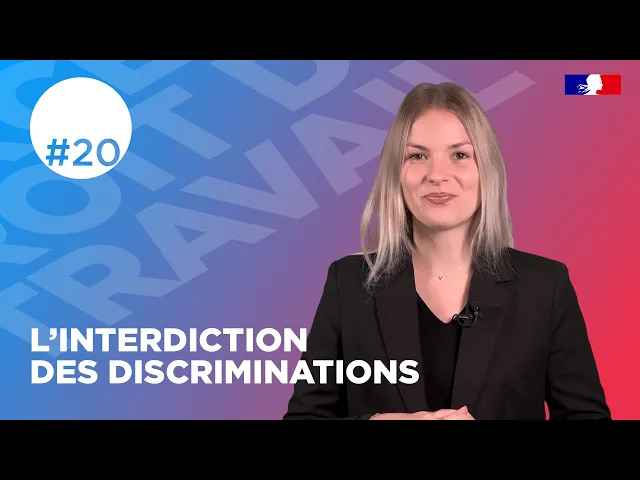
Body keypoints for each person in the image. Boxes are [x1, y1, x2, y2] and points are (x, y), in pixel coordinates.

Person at [283, 82, 611, 420]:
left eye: (460, 155)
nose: (437, 175)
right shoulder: (348, 283)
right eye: (417, 156)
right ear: (397, 172)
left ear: (486, 169)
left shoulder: (545, 286)